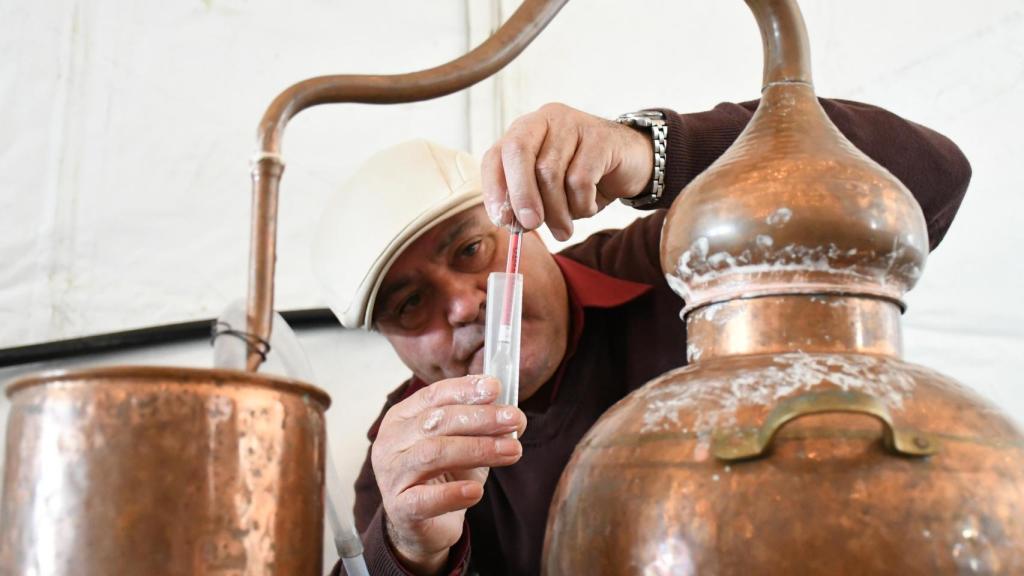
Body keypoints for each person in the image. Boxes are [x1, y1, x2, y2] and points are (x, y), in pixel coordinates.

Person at [315, 100, 970, 576]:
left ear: (524, 226)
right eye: (410, 305)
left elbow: (931, 178)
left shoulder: (670, 264)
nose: (464, 304)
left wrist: (654, 152)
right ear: (392, 342)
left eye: (470, 249)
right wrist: (406, 549)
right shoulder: (415, 451)